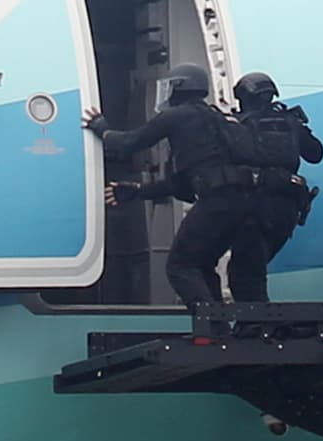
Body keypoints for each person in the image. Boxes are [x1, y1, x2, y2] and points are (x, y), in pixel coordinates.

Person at [85, 66, 278, 312]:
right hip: (244, 203)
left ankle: (212, 327)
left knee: (180, 266)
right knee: (204, 263)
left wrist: (101, 127)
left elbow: (129, 143)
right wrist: (137, 191)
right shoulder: (216, 118)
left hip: (217, 202)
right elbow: (181, 184)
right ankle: (218, 327)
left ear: (179, 87)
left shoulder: (177, 116)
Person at [222, 71, 323, 303]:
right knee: (253, 270)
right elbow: (316, 153)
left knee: (245, 275)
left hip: (253, 208)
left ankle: (258, 328)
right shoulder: (291, 122)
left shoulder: (238, 125)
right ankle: (256, 325)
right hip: (286, 210)